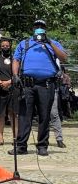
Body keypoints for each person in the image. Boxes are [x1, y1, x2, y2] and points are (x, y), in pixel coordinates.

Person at [9, 19, 67, 156]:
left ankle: (42, 146)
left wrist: (50, 43)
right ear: (33, 28)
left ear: (45, 29)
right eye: (37, 26)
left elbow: (64, 58)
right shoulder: (25, 43)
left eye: (42, 27)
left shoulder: (53, 43)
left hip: (46, 84)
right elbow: (16, 59)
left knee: (44, 116)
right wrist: (15, 75)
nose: (39, 28)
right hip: (27, 85)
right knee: (24, 116)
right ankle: (21, 146)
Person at [0, 39, 17, 145]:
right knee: (0, 114)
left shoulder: (15, 59)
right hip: (0, 89)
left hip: (12, 88)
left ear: (10, 46)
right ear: (0, 47)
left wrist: (10, 82)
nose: (5, 47)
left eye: (7, 45)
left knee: (13, 113)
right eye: (3, 46)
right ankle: (0, 137)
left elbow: (18, 72)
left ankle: (15, 136)